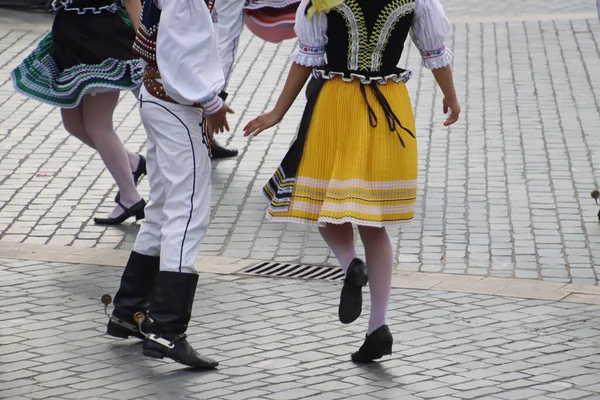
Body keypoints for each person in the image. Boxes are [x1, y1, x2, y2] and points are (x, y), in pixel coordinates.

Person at [244, 0, 460, 362]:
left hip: (336, 104)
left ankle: (350, 266)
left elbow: (307, 56)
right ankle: (378, 327)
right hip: (388, 102)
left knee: (326, 209)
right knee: (373, 224)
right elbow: (434, 51)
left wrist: (277, 112)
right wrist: (451, 97)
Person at [105, 0, 232, 369]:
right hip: (175, 104)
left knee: (163, 208)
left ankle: (129, 310)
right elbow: (177, 51)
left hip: (159, 98)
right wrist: (210, 102)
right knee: (187, 212)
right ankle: (167, 329)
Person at [11, 0, 147, 225]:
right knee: (73, 124)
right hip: (69, 41)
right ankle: (131, 162)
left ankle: (131, 196)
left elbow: (132, 2)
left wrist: (145, 47)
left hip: (102, 42)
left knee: (97, 125)